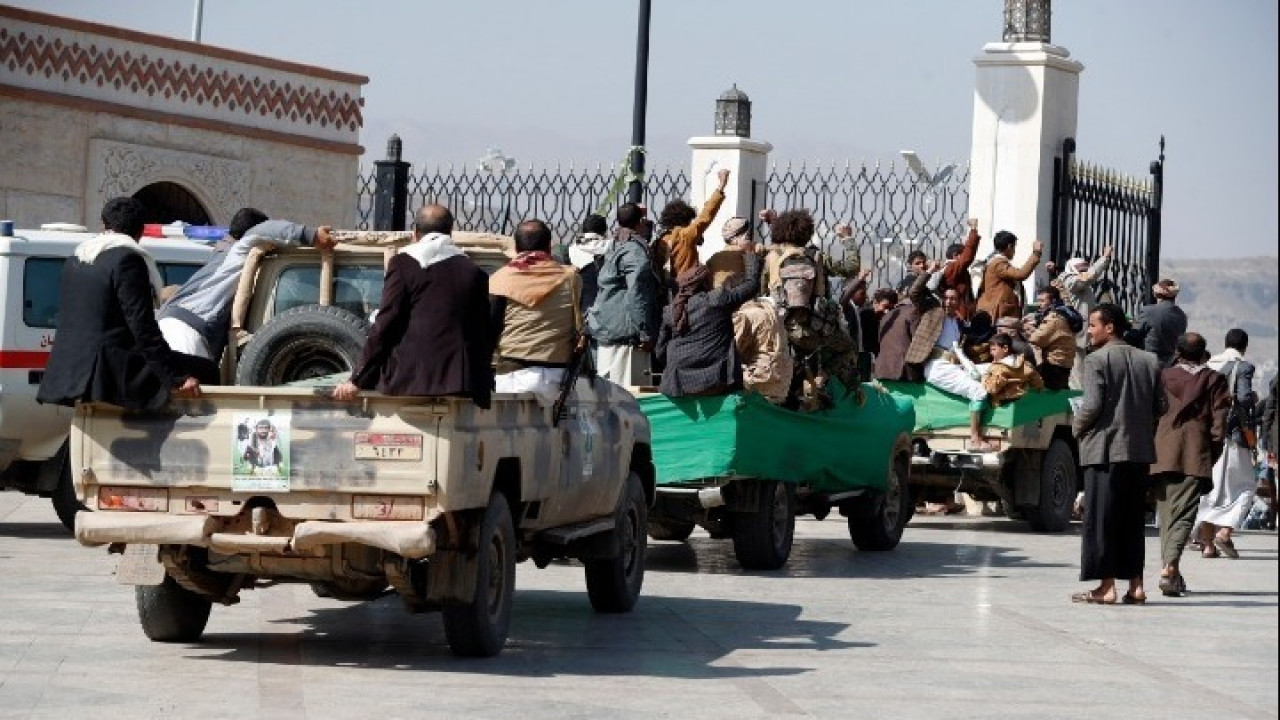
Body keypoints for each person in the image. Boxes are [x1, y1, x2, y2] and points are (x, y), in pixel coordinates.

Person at [36, 197, 211, 411]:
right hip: (106, 372)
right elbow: (143, 328)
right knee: (208, 370)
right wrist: (175, 378)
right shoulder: (127, 259)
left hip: (67, 371)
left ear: (104, 225)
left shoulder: (77, 258)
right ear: (140, 231)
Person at [332, 204, 493, 408]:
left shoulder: (404, 263)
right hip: (460, 383)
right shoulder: (473, 271)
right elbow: (483, 331)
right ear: (450, 232)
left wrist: (358, 379)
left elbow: (387, 322)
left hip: (409, 380)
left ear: (415, 232)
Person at [1071, 302, 1165, 605]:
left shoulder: (1097, 360)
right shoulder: (1150, 361)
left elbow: (1093, 405)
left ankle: (1106, 587)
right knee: (1131, 520)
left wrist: (1077, 428)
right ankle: (1136, 586)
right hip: (1137, 452)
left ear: (1109, 327)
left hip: (1104, 450)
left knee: (1101, 520)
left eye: (1093, 325)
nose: (1090, 331)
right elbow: (1160, 406)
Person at [157, 209, 336, 361]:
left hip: (169, 329)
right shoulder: (237, 250)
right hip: (185, 333)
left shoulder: (220, 256)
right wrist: (311, 235)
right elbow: (262, 230)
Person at [1150, 333, 1230, 596]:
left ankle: (1170, 571)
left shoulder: (1163, 377)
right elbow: (1219, 425)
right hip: (1196, 452)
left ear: (1179, 352)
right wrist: (1211, 452)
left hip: (1163, 451)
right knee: (1184, 516)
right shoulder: (1214, 380)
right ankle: (1169, 567)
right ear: (1203, 353)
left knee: (1167, 516)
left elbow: (1152, 414)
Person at [759, 208, 861, 406]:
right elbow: (851, 267)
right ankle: (823, 382)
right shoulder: (816, 257)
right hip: (814, 328)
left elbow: (763, 291)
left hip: (780, 327)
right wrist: (848, 239)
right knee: (847, 349)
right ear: (807, 233)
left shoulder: (771, 257)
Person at [488, 219, 582, 405]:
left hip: (511, 374)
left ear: (515, 247)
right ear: (549, 245)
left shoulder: (499, 280)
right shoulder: (571, 278)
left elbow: (490, 330)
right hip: (556, 377)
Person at [904, 265, 995, 451]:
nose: (949, 302)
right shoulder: (933, 312)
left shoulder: (958, 323)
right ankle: (975, 439)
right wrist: (929, 271)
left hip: (952, 365)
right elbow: (914, 292)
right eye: (946, 298)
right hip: (936, 365)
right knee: (978, 392)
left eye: (953, 299)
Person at [707, 217, 793, 403]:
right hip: (778, 383)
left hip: (759, 386)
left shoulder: (714, 260)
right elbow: (785, 249)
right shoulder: (767, 310)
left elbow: (730, 355)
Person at [655, 252, 762, 398]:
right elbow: (752, 284)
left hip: (678, 385)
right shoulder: (717, 300)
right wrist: (750, 255)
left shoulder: (670, 311)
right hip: (716, 382)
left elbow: (660, 352)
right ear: (707, 283)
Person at [1195, 328, 1258, 557]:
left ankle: (1208, 545)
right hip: (1232, 436)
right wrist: (1251, 398)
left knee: (1211, 490)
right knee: (1247, 486)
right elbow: (1241, 399)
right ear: (1245, 346)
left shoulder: (1208, 365)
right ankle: (1224, 534)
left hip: (1206, 436)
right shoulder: (1243, 367)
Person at [586, 202, 660, 386]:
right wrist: (644, 331)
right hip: (625, 335)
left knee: (608, 394)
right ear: (640, 222)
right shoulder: (634, 251)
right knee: (626, 397)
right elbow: (637, 293)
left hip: (608, 328)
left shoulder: (614, 245)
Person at [652, 168, 730, 288]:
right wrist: (721, 185)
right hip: (687, 289)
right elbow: (706, 216)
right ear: (685, 220)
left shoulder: (661, 241)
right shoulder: (685, 235)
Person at [975, 230, 1043, 321]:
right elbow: (1020, 274)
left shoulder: (995, 262)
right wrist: (1036, 253)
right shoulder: (998, 263)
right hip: (998, 313)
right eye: (1014, 247)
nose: (1014, 251)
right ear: (1009, 246)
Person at [1027, 286, 1079, 390]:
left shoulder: (1054, 317)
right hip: (1064, 361)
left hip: (1054, 362)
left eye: (1042, 300)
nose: (1040, 304)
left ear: (1053, 301)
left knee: (1046, 392)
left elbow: (1037, 339)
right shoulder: (1064, 312)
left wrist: (1029, 330)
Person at [1127, 279, 1188, 367]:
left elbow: (1133, 337)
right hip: (1169, 364)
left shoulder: (1149, 311)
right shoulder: (1181, 315)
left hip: (1148, 364)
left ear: (1157, 294)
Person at [565, 213, 611, 313]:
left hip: (581, 307)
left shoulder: (571, 250)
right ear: (604, 231)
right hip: (608, 307)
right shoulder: (613, 247)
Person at [982, 333, 1045, 406]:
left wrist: (985, 377)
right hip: (1020, 395)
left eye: (993, 349)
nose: (991, 353)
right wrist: (1040, 387)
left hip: (1003, 401)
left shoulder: (999, 369)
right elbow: (1035, 378)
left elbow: (992, 389)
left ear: (1005, 348)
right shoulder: (1024, 363)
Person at [940, 218, 981, 318]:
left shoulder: (955, 268)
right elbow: (967, 257)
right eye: (961, 253)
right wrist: (973, 230)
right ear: (955, 255)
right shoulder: (952, 267)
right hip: (958, 313)